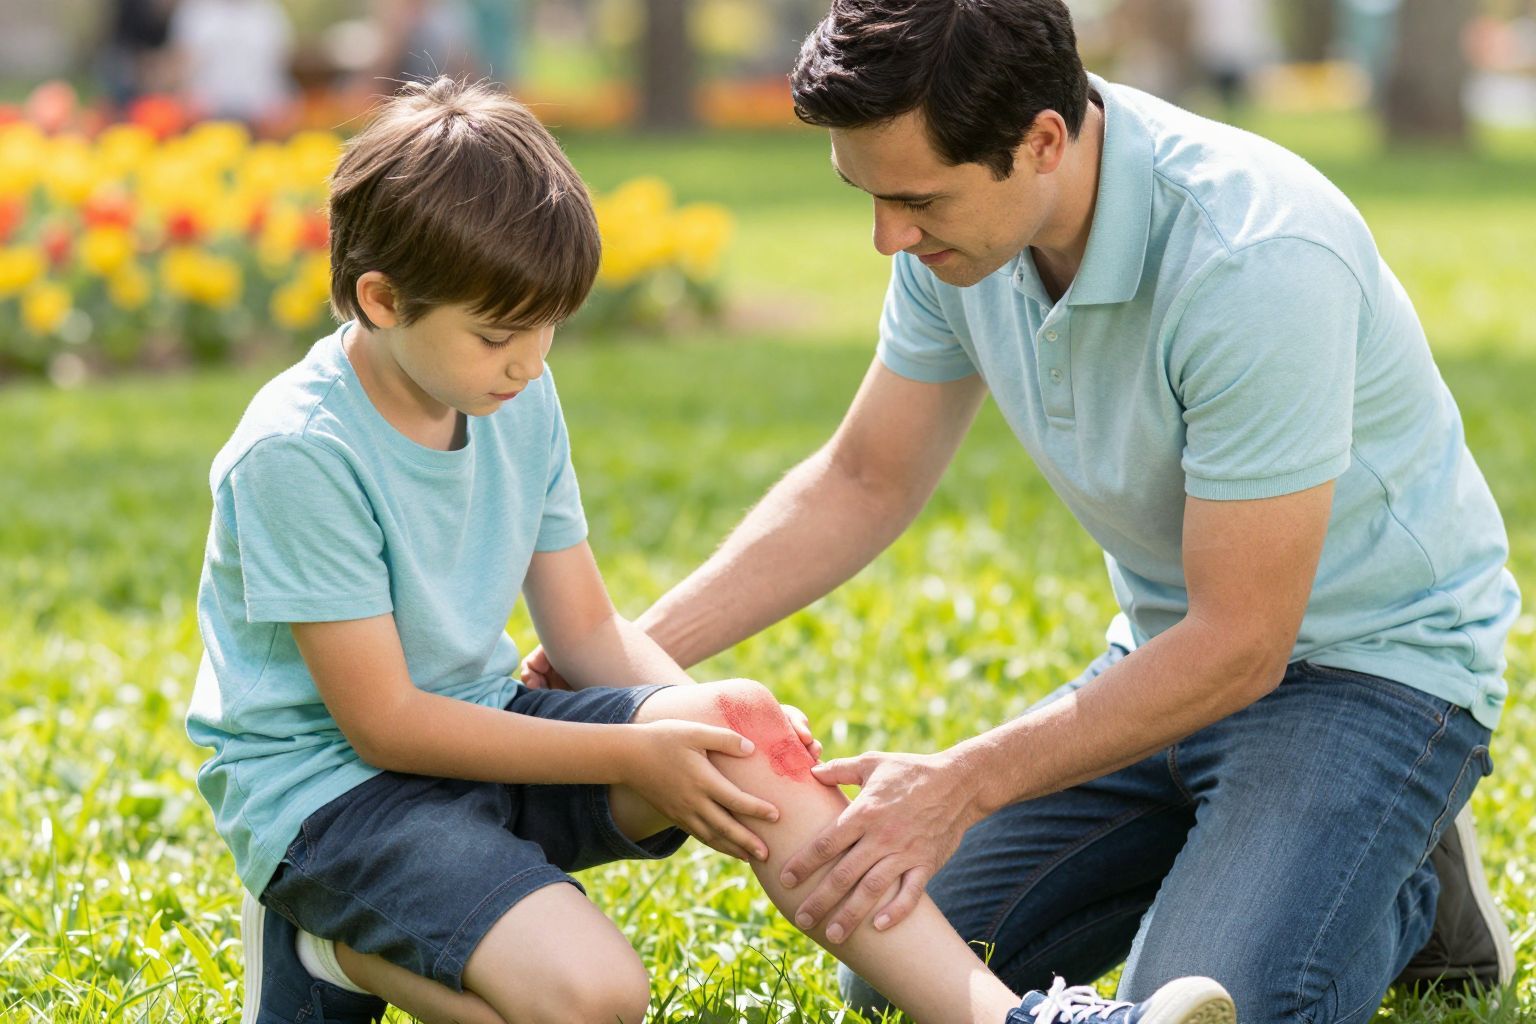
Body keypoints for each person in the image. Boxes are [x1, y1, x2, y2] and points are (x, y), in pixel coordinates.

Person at [524, 2, 1520, 1021]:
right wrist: (609, 656)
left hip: (1367, 672)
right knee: (892, 959)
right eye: (868, 195)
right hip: (1164, 656)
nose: (888, 237)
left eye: (915, 199)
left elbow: (1244, 643)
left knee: (1217, 1001)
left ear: (1044, 140)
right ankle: (1304, 850)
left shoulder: (1255, 255)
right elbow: (865, 478)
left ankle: (1404, 882)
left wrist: (962, 780)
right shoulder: (961, 241)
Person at [185, 76, 1233, 1024]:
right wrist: (631, 751)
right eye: (498, 337)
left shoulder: (511, 393)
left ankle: (1008, 1020)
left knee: (741, 730)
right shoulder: (299, 453)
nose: (529, 365)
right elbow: (385, 722)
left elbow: (585, 629)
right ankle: (329, 951)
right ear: (380, 300)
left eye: (547, 331)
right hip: (337, 798)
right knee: (596, 997)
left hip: (482, 728)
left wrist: (718, 726)